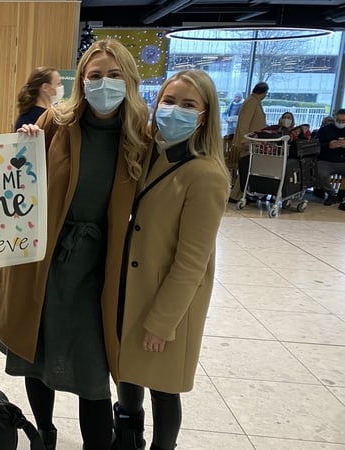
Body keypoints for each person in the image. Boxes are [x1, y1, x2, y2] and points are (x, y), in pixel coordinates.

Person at [0, 39, 151, 450]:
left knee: (93, 370)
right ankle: (44, 433)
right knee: (35, 352)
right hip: (44, 262)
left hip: (99, 270)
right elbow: (17, 178)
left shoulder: (141, 136)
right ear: (81, 81)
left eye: (114, 75)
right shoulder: (55, 123)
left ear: (129, 80)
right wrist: (21, 145)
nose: (103, 84)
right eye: (94, 76)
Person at [113, 69, 230, 450]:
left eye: (188, 104)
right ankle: (127, 435)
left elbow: (192, 261)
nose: (175, 110)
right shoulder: (151, 152)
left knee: (163, 388)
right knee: (127, 374)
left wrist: (162, 323)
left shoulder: (206, 174)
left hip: (168, 300)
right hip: (132, 288)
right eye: (169, 100)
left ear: (204, 114)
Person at [0, 66, 62, 309]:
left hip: (29, 193)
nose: (60, 88)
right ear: (45, 87)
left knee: (21, 251)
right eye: (57, 82)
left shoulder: (33, 114)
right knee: (22, 251)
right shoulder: (38, 117)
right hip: (33, 195)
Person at [229, 82, 268, 202]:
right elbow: (244, 123)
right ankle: (236, 195)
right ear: (265, 93)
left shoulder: (254, 101)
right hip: (248, 141)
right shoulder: (251, 102)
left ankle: (242, 193)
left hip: (253, 141)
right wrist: (245, 140)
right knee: (246, 168)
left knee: (248, 169)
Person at [316, 108, 345, 208]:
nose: (340, 123)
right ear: (335, 119)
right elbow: (316, 145)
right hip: (326, 160)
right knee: (319, 173)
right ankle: (332, 194)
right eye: (338, 120)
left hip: (343, 161)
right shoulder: (325, 130)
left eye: (343, 121)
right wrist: (328, 145)